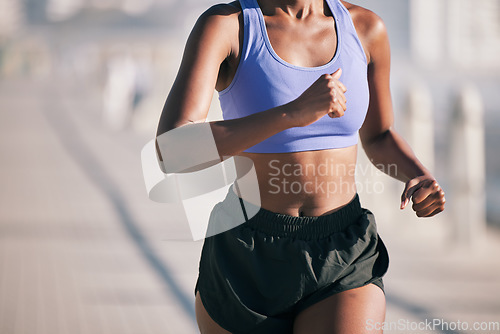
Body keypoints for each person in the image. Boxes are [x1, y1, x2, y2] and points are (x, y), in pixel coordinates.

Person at [155, 0, 446, 332]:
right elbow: (172, 151)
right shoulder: (227, 25)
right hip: (246, 256)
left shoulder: (366, 28)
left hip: (343, 249)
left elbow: (378, 135)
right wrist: (291, 114)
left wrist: (416, 174)